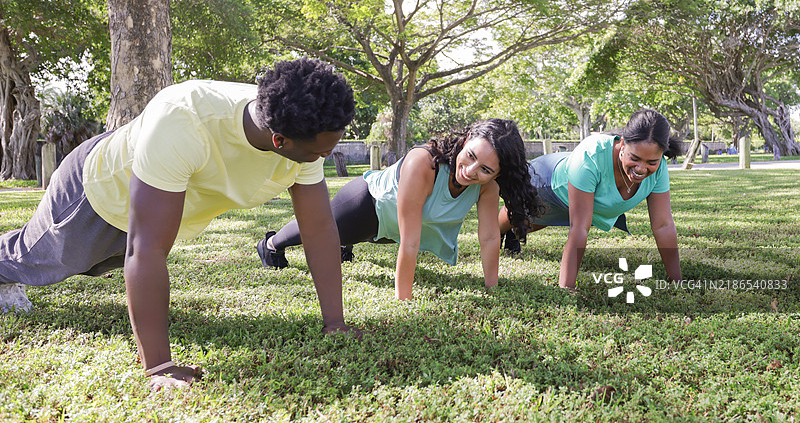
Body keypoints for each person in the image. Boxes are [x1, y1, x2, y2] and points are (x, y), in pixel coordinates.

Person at [0, 57, 357, 390]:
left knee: (94, 267)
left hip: (155, 203)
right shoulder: (185, 120)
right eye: (321, 153)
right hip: (98, 191)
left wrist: (335, 323)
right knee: (40, 262)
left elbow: (319, 229)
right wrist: (159, 367)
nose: (326, 157)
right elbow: (147, 249)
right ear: (279, 140)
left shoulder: (303, 124)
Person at [256, 119, 544, 300]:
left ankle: (344, 245)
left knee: (347, 238)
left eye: (485, 169)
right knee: (318, 229)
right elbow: (410, 243)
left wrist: (491, 288)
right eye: (470, 156)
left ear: (497, 174)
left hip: (388, 230)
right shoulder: (425, 162)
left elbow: (491, 237)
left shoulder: (487, 185)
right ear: (466, 138)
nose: (470, 171)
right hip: (365, 206)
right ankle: (270, 244)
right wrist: (403, 302)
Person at [499, 109, 683, 289]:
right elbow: (579, 228)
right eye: (635, 158)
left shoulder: (659, 169)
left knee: (541, 220)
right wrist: (566, 289)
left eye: (651, 162)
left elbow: (663, 225)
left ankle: (514, 234)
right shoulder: (592, 155)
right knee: (516, 215)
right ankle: (499, 233)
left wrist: (677, 281)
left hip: (579, 199)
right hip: (548, 182)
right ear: (622, 144)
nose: (642, 169)